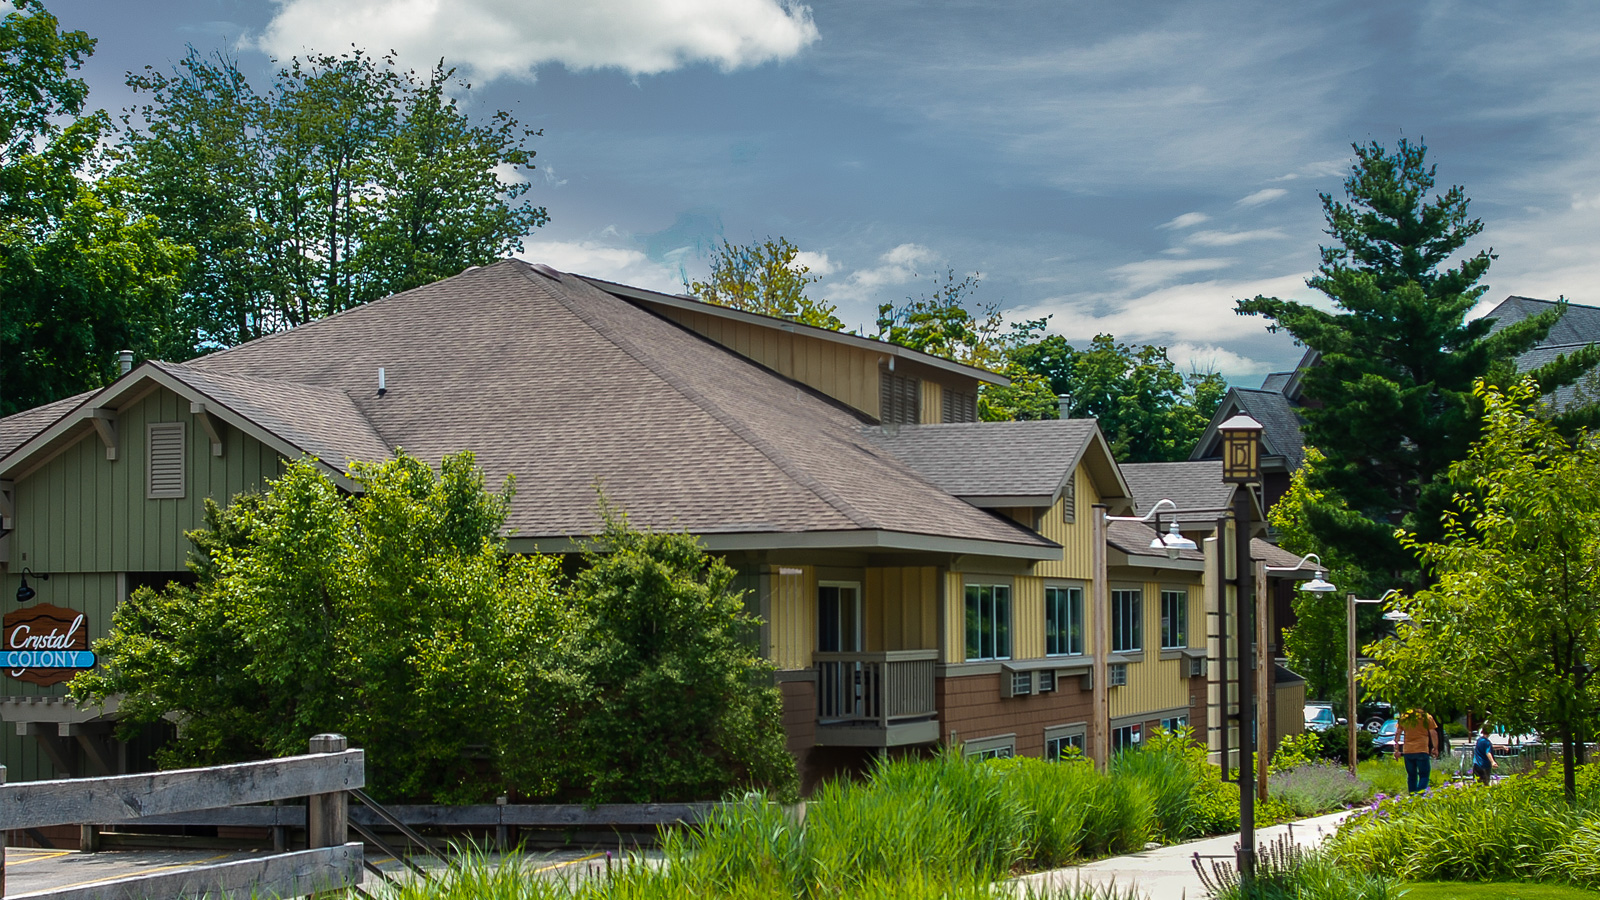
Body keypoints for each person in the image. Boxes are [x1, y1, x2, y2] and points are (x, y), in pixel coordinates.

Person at [1394, 707, 1440, 793]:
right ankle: (1419, 794)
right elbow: (1433, 733)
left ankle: (1412, 795)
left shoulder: (1405, 717)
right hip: (1422, 749)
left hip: (1408, 751)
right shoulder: (1426, 716)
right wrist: (1435, 748)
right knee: (1424, 775)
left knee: (1411, 776)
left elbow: (1398, 733)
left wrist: (1396, 749)